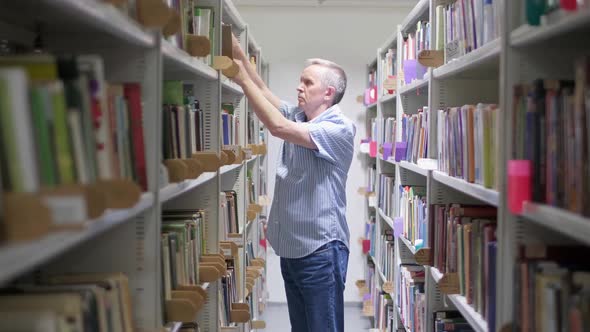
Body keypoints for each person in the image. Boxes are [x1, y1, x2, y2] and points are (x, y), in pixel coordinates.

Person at [231, 36, 356, 332]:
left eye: (307, 82)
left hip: (321, 252)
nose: (299, 87)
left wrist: (238, 77)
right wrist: (239, 55)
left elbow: (278, 127)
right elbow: (263, 92)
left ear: (328, 93)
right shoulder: (300, 117)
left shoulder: (339, 128)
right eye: (300, 81)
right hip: (293, 250)